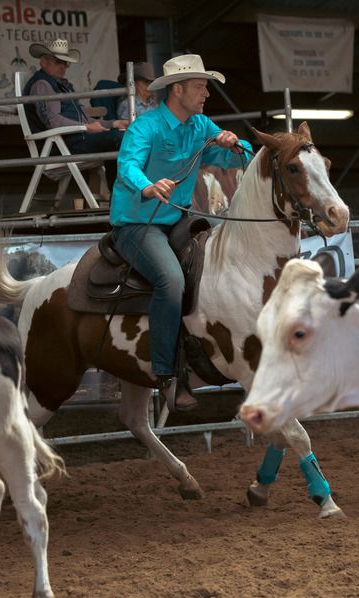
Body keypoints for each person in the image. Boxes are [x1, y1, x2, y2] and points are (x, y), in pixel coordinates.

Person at [110, 54, 252, 412]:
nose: (206, 93)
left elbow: (235, 160)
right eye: (200, 86)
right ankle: (166, 375)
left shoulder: (201, 126)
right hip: (136, 224)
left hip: (178, 220)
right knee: (171, 281)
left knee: (229, 252)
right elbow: (127, 164)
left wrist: (236, 145)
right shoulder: (145, 127)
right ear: (178, 89)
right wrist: (146, 186)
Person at [23, 39, 127, 194]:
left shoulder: (62, 85)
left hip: (74, 140)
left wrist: (114, 123)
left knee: (121, 136)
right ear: (44, 62)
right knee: (119, 139)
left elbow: (85, 119)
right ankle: (122, 197)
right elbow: (53, 121)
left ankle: (120, 197)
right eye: (58, 62)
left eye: (65, 63)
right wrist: (86, 127)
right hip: (61, 145)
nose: (62, 67)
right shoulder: (42, 85)